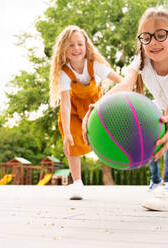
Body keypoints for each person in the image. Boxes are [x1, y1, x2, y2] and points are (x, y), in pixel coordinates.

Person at [83, 8, 168, 211]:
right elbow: (124, 86)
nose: (152, 42)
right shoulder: (142, 63)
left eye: (160, 35)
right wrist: (94, 109)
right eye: (146, 37)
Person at [49, 25, 122, 200]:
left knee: (104, 141)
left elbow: (121, 81)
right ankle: (77, 183)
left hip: (95, 107)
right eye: (71, 45)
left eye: (80, 44)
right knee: (72, 144)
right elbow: (65, 104)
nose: (76, 48)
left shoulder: (94, 65)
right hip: (73, 111)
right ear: (63, 49)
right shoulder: (64, 72)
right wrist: (66, 133)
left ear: (86, 46)